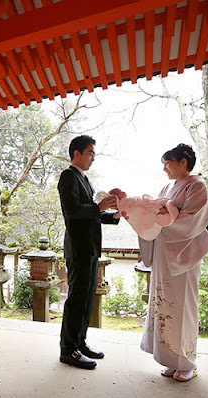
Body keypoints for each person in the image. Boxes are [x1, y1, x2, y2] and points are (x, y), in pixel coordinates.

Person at [134, 143, 208, 382]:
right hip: (163, 250)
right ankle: (170, 359)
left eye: (168, 162)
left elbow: (193, 221)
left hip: (184, 253)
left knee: (184, 305)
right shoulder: (168, 187)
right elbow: (160, 215)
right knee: (162, 301)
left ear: (183, 162)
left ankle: (187, 361)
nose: (165, 168)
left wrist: (163, 219)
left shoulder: (197, 186)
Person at [57, 135, 124, 370]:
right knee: (77, 298)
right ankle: (68, 349)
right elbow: (72, 211)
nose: (93, 158)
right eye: (90, 153)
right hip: (78, 247)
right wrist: (98, 207)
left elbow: (92, 213)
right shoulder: (69, 176)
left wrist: (115, 215)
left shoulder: (85, 179)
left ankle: (80, 342)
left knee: (87, 298)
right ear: (77, 153)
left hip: (91, 247)